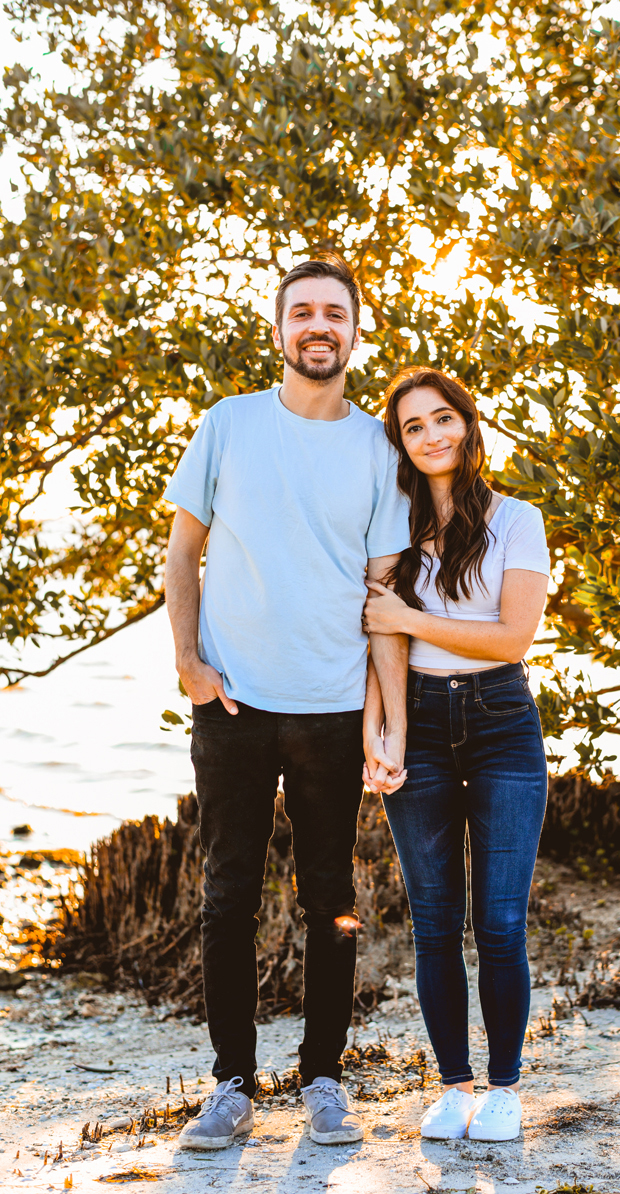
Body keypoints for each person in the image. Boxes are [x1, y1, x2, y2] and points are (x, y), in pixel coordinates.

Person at [164, 254, 411, 1150]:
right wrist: (191, 663)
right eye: (302, 312)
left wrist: (386, 717)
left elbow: (383, 598)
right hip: (233, 708)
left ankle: (323, 1079)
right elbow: (181, 552)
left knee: (331, 896)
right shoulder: (228, 426)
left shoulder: (380, 449)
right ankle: (231, 1083)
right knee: (227, 894)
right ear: (278, 331)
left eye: (334, 314)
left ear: (354, 331)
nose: (319, 326)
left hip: (335, 712)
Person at [358, 366, 550, 1142]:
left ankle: (504, 1089)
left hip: (503, 719)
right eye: (414, 426)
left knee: (500, 922)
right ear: (401, 444)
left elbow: (512, 636)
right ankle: (454, 1086)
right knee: (433, 922)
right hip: (422, 723)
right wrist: (387, 729)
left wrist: (411, 614)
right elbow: (381, 635)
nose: (433, 435)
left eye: (444, 419)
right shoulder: (389, 530)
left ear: (467, 426)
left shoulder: (518, 519)